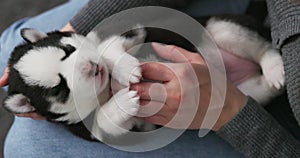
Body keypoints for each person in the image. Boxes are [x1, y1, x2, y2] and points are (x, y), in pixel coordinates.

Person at [0, 0, 299, 158]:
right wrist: (73, 31)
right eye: (63, 85)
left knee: (27, 146)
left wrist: (228, 111)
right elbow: (104, 128)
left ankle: (265, 54)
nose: (82, 67)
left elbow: (127, 38)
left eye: (69, 53)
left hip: (260, 117)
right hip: (232, 54)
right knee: (8, 46)